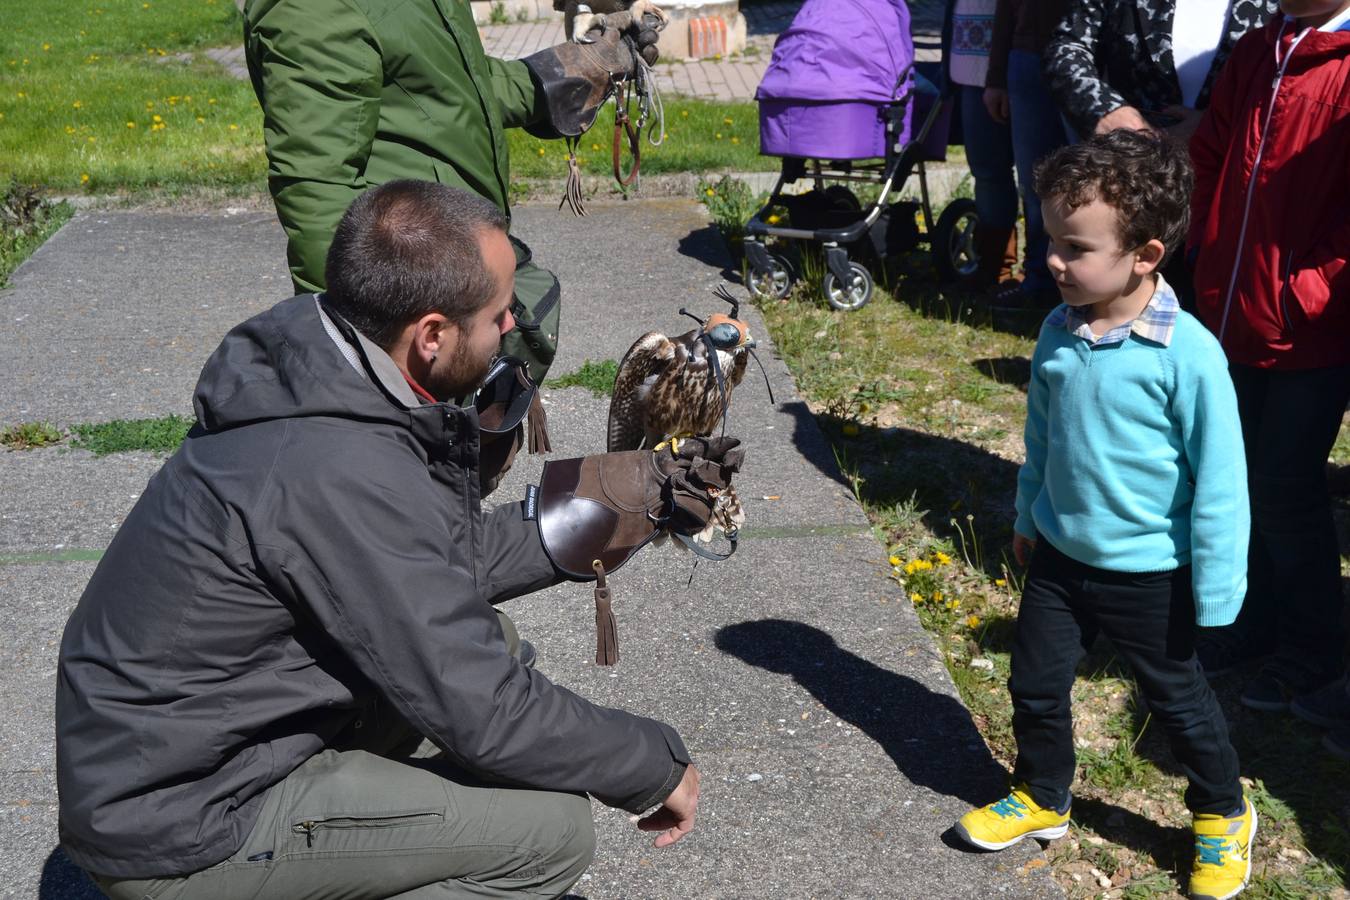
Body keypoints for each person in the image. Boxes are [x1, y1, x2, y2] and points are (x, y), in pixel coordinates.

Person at [54, 181, 733, 900]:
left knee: (490, 637)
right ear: (432, 335)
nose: (511, 326)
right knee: (549, 834)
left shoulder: (325, 367)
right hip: (185, 826)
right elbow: (481, 707)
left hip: (179, 750)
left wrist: (621, 500)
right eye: (499, 312)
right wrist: (652, 765)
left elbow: (424, 563)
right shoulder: (335, 466)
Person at [953, 131, 1255, 900]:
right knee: (1035, 683)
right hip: (1060, 556)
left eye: (1074, 247)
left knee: (1177, 701)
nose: (1053, 261)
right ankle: (1043, 794)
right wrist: (1028, 517)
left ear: (1145, 254)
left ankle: (1222, 812)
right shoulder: (1059, 330)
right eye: (1050, 239)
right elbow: (1043, 440)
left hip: (1150, 572)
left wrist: (1217, 585)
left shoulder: (1186, 355)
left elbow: (1221, 479)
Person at [243, 0, 660, 389]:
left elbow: (451, 86)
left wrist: (561, 75)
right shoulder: (315, 10)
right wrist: (361, 370)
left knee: (473, 451)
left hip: (456, 277)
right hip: (408, 321)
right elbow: (318, 196)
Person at [1187, 0, 1350, 723]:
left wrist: (1305, 293)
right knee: (1231, 477)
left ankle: (1313, 646)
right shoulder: (1258, 49)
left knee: (1288, 487)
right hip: (1227, 311)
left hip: (1308, 332)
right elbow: (1211, 154)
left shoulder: (1343, 65)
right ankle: (1247, 617)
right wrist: (1187, 249)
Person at [1044, 0, 1279, 141]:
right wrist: (1106, 112)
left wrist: (1214, 125)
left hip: (1231, 183)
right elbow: (1067, 47)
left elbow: (1301, 77)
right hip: (1133, 175)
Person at [981, 0, 1070, 309]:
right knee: (1035, 183)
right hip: (1029, 57)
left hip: (1098, 57)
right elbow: (1005, 9)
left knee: (1093, 182)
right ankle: (1038, 282)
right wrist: (995, 77)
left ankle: (1089, 286)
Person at [941, 0, 1022, 291]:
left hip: (1028, 53)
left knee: (1040, 178)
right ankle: (994, 266)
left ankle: (1042, 273)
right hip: (969, 60)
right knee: (987, 171)